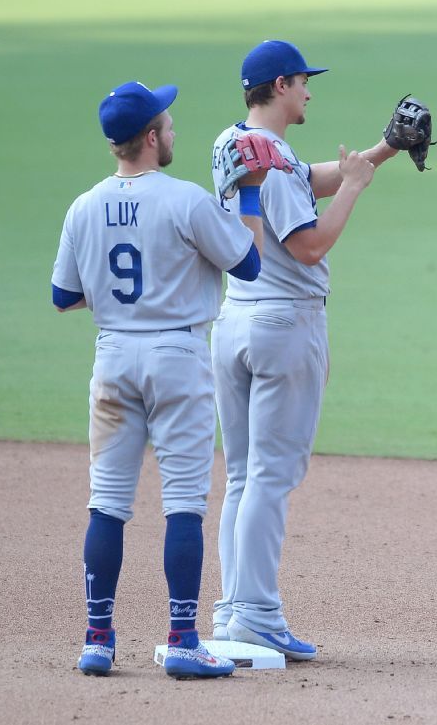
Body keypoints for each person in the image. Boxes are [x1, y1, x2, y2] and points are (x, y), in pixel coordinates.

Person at [53, 80, 274, 678]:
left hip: (112, 360)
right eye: (169, 127)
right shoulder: (186, 200)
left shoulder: (83, 205)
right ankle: (181, 640)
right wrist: (249, 193)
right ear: (150, 138)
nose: (174, 133)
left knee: (107, 505)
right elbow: (249, 265)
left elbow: (63, 296)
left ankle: (98, 639)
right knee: (182, 504)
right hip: (177, 358)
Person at [209, 40, 405, 660]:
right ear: (282, 84)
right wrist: (350, 191)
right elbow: (310, 244)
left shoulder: (233, 142)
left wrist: (384, 149)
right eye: (303, 83)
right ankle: (259, 615)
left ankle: (232, 606)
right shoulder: (276, 155)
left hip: (233, 321)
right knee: (272, 475)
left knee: (242, 475)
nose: (309, 92)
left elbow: (301, 177)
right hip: (283, 325)